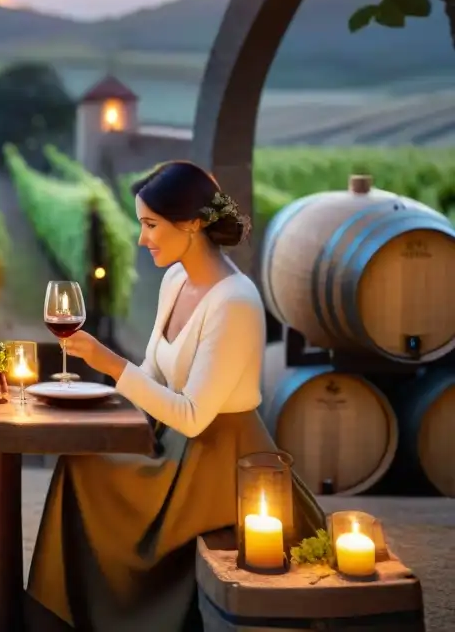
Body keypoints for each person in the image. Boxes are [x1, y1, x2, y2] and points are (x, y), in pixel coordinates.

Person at [27, 160, 325, 631]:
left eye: (150, 225)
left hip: (219, 463)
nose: (142, 239)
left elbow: (192, 415)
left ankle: (102, 615)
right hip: (173, 447)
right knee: (79, 460)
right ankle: (65, 612)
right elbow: (152, 372)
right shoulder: (175, 280)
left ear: (191, 224)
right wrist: (97, 399)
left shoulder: (235, 301)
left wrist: (109, 364)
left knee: (86, 476)